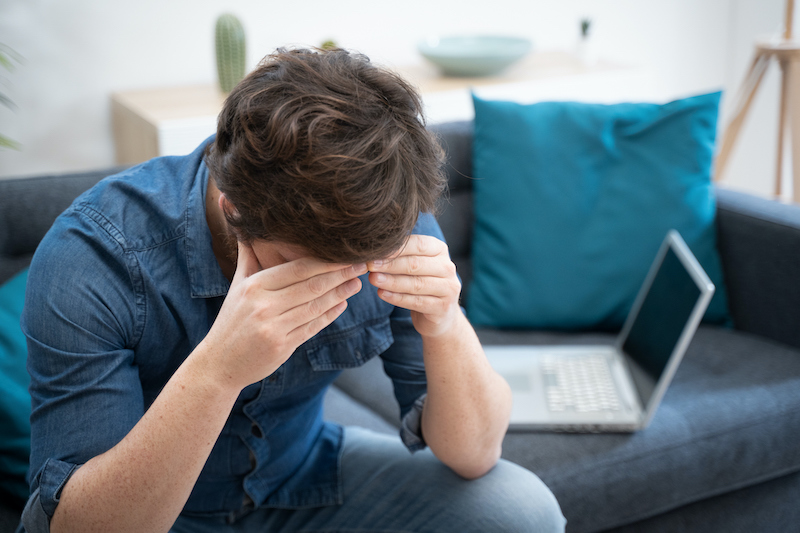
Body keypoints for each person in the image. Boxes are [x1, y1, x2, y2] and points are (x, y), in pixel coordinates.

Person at [20, 47, 566, 533]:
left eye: (359, 263)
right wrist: (218, 371)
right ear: (232, 208)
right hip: (156, 513)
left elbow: (473, 455)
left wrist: (445, 321)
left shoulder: (387, 218)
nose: (345, 281)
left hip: (302, 477)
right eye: (309, 266)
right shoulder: (93, 256)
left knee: (521, 510)